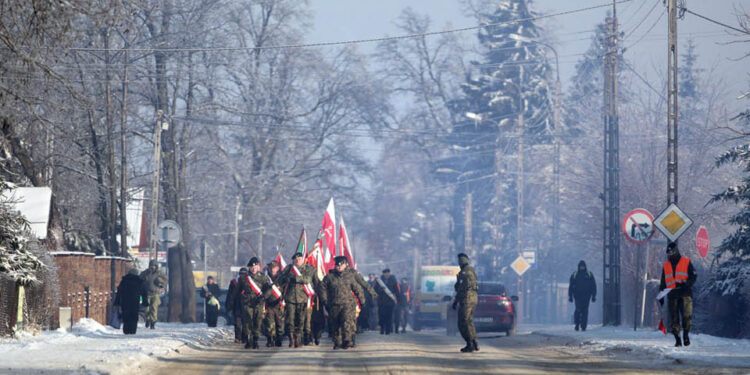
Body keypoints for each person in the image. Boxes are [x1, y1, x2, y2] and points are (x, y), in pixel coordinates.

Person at [320, 256, 365, 350]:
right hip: (334, 304)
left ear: (345, 265)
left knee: (346, 322)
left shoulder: (350, 276)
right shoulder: (329, 277)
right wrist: (324, 300)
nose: (339, 267)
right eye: (337, 265)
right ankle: (337, 342)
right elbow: (322, 289)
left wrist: (362, 300)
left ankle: (347, 340)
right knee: (335, 324)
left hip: (347, 304)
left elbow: (357, 289)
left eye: (341, 265)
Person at [659, 242, 697, 347]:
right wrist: (661, 295)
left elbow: (693, 276)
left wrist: (687, 284)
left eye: (671, 253)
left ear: (675, 251)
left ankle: (686, 336)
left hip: (685, 294)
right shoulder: (666, 266)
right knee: (674, 318)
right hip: (672, 295)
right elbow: (663, 282)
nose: (670, 255)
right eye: (668, 253)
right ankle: (677, 339)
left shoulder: (686, 262)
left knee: (686, 317)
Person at [278, 252, 315, 348]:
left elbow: (308, 279)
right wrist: (287, 278)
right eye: (296, 259)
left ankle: (298, 339)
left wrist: (295, 278)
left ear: (303, 259)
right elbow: (280, 278)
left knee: (301, 320)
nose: (297, 261)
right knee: (290, 320)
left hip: (302, 298)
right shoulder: (289, 268)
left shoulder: (308, 268)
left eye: (299, 259)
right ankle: (291, 339)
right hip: (290, 298)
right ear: (293, 260)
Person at [239, 257, 273, 349]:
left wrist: (263, 297)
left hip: (258, 303)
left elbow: (269, 290)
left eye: (255, 267)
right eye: (251, 267)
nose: (253, 269)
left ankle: (255, 340)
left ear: (258, 267)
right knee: (247, 322)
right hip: (247, 303)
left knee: (257, 322)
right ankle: (248, 340)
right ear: (249, 268)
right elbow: (238, 291)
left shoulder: (263, 277)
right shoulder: (243, 278)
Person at [453, 253, 478, 353]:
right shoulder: (472, 270)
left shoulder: (464, 272)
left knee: (463, 322)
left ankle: (470, 343)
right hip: (473, 298)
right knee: (469, 321)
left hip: (466, 299)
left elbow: (461, 288)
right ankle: (474, 341)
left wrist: (456, 300)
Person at [113, 268, 147, 335]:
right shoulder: (139, 281)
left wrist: (117, 302)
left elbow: (119, 292)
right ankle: (133, 330)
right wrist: (144, 302)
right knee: (134, 316)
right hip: (135, 301)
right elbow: (143, 293)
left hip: (125, 302)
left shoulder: (124, 281)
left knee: (126, 316)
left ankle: (126, 330)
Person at [568, 260, 596, 331]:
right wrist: (570, 296)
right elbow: (571, 286)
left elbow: (593, 285)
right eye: (581, 266)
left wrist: (593, 295)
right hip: (577, 296)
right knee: (578, 310)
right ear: (579, 267)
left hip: (587, 296)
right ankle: (577, 324)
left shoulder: (589, 274)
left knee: (585, 311)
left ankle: (583, 326)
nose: (582, 268)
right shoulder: (575, 275)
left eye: (583, 266)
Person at [139, 260, 166, 329]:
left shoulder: (159, 273)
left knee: (154, 309)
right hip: (146, 293)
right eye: (151, 265)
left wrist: (162, 285)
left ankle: (153, 323)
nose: (152, 267)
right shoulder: (145, 273)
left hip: (155, 293)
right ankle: (148, 319)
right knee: (146, 309)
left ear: (156, 266)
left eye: (154, 266)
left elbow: (165, 281)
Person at [264, 260, 285, 347]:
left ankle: (279, 339)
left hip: (279, 303)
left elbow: (285, 289)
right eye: (271, 268)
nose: (272, 270)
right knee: (269, 323)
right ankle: (270, 339)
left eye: (274, 268)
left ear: (278, 268)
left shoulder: (282, 278)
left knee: (279, 323)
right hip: (269, 304)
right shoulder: (265, 278)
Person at [374, 268, 399, 335]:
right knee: (382, 316)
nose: (387, 274)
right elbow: (375, 290)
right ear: (383, 274)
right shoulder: (379, 281)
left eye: (388, 273)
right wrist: (380, 291)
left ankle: (388, 330)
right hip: (381, 302)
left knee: (389, 316)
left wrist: (397, 300)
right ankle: (382, 329)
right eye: (385, 273)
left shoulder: (393, 280)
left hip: (390, 302)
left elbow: (396, 290)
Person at [226, 268, 247, 343]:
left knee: (245, 323)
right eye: (241, 274)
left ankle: (244, 337)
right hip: (237, 304)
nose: (242, 276)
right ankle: (238, 337)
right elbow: (230, 294)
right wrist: (229, 304)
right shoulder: (234, 282)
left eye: (244, 274)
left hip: (246, 304)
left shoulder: (249, 282)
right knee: (237, 322)